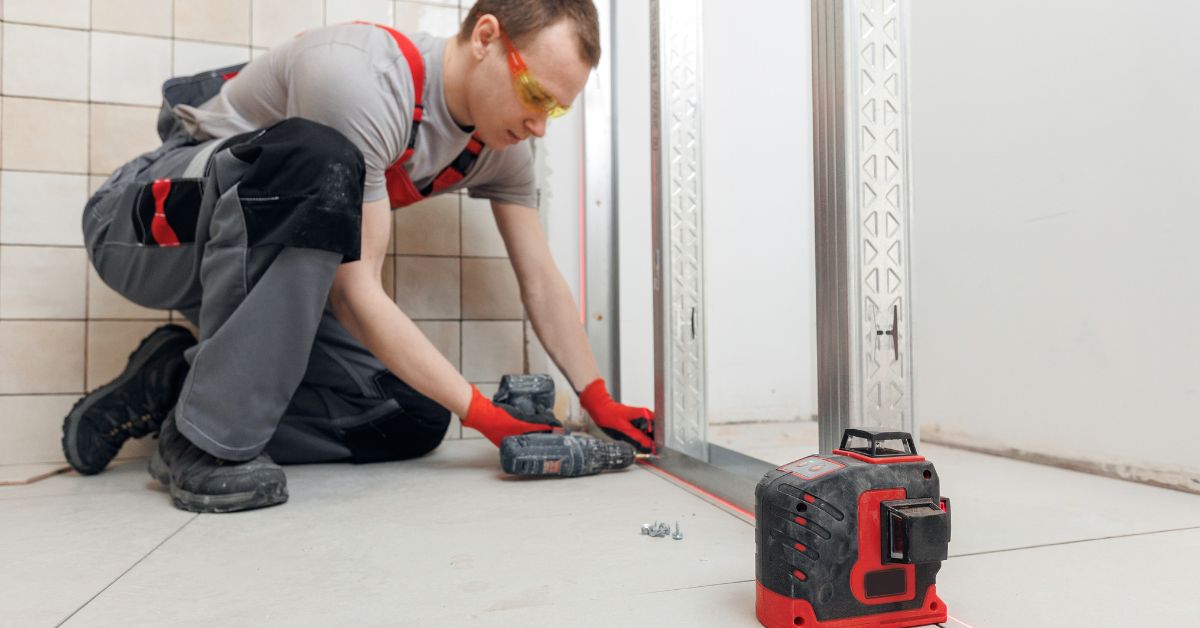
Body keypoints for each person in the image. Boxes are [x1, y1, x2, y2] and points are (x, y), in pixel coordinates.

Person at [61, 0, 653, 514]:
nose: (540, 125)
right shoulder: (362, 79)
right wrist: (484, 413)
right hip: (144, 230)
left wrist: (596, 397)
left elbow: (541, 280)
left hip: (248, 270)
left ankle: (176, 387)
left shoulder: (500, 147)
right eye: (535, 95)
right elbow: (354, 291)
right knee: (317, 158)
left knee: (411, 415)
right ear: (485, 37)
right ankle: (206, 443)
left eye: (555, 109)